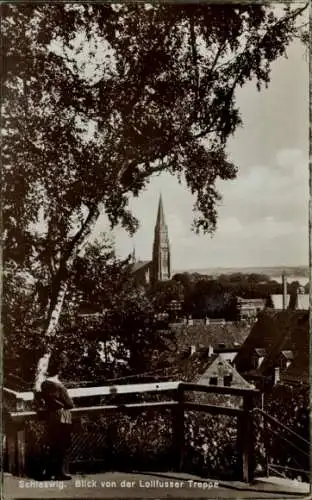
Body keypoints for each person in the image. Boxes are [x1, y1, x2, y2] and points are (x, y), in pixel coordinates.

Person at [40, 352, 74, 480]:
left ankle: (49, 472)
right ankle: (60, 472)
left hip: (51, 415)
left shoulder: (44, 384)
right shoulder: (59, 385)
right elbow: (70, 404)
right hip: (62, 416)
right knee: (63, 444)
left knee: (53, 444)